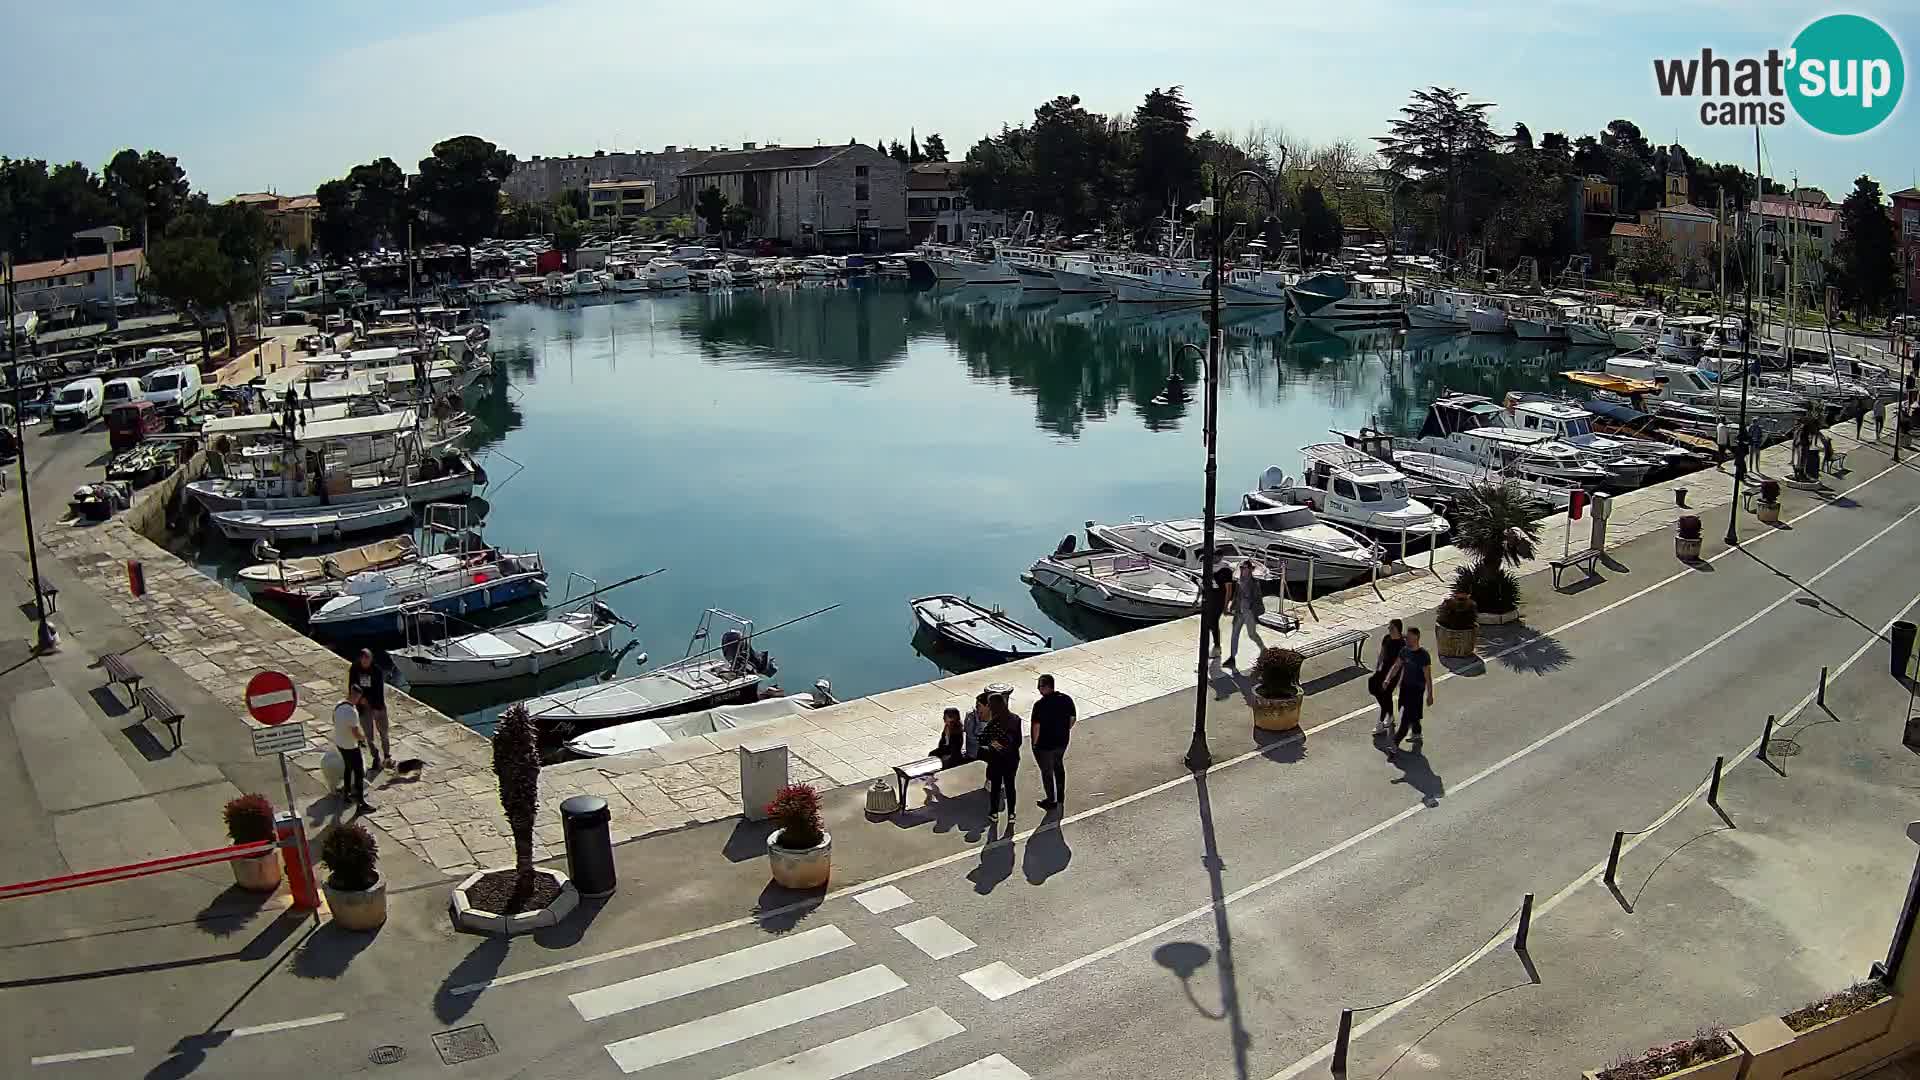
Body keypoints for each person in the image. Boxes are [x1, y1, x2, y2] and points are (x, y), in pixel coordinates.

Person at [1384, 626, 1435, 753]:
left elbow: (1427, 676)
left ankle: (1395, 743)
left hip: (1416, 691)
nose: (1406, 639)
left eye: (1409, 637)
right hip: (1405, 688)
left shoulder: (1423, 656)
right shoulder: (1404, 651)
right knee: (1412, 714)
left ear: (1416, 638)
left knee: (1406, 718)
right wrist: (1388, 679)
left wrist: (1430, 695)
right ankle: (1417, 733)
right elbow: (1397, 666)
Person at [1030, 674, 1076, 810]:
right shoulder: (1066, 699)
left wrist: (1034, 743)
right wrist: (1064, 730)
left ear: (1046, 687)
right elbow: (1072, 718)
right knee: (1058, 766)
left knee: (1047, 772)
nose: (1038, 689)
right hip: (1062, 742)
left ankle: (1051, 800)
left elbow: (1036, 727)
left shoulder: (1039, 705)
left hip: (1045, 745)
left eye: (1040, 686)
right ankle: (1060, 796)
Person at [981, 692, 1023, 825]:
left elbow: (984, 740)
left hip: (996, 759)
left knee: (996, 787)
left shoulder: (993, 723)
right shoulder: (1015, 719)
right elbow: (1018, 741)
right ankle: (1011, 814)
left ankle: (994, 813)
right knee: (1010, 786)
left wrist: (996, 745)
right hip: (1012, 758)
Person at [349, 649, 390, 773]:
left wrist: (371, 701)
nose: (366, 662)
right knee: (368, 735)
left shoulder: (376, 670)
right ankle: (375, 757)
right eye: (364, 660)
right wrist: (359, 700)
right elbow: (352, 686)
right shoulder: (355, 669)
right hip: (362, 706)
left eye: (368, 660)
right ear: (360, 659)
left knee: (383, 732)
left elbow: (379, 689)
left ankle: (387, 756)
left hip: (377, 705)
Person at [331, 701, 375, 815]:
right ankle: (361, 803)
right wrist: (363, 738)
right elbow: (356, 733)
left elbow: (333, 720)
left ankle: (346, 793)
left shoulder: (339, 705)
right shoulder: (352, 712)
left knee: (348, 768)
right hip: (351, 747)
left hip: (340, 743)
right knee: (359, 773)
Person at [1369, 619, 1406, 736]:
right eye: (1389, 627)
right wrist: (1378, 667)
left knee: (1385, 694)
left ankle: (1380, 723)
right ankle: (1390, 715)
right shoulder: (1387, 638)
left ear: (1398, 629)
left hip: (1394, 673)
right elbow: (1382, 653)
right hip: (1384, 669)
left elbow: (1399, 665)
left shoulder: (1402, 645)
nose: (1389, 629)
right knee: (1373, 686)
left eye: (1391, 628)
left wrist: (1391, 680)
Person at [1227, 560, 1266, 666]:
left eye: (1244, 568)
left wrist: (1253, 611)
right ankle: (1232, 658)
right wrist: (1232, 606)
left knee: (1252, 634)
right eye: (1241, 568)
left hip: (1249, 612)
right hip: (1239, 612)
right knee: (1234, 634)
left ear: (1250, 569)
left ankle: (1263, 649)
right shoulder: (1239, 581)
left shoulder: (1254, 583)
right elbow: (1236, 596)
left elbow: (1258, 598)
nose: (1242, 570)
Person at [1208, 560, 1234, 659]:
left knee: (1213, 622)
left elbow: (1229, 590)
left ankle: (1217, 647)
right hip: (1210, 599)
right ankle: (1214, 646)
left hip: (1220, 600)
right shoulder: (1208, 566)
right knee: (1209, 623)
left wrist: (1225, 606)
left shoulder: (1225, 570)